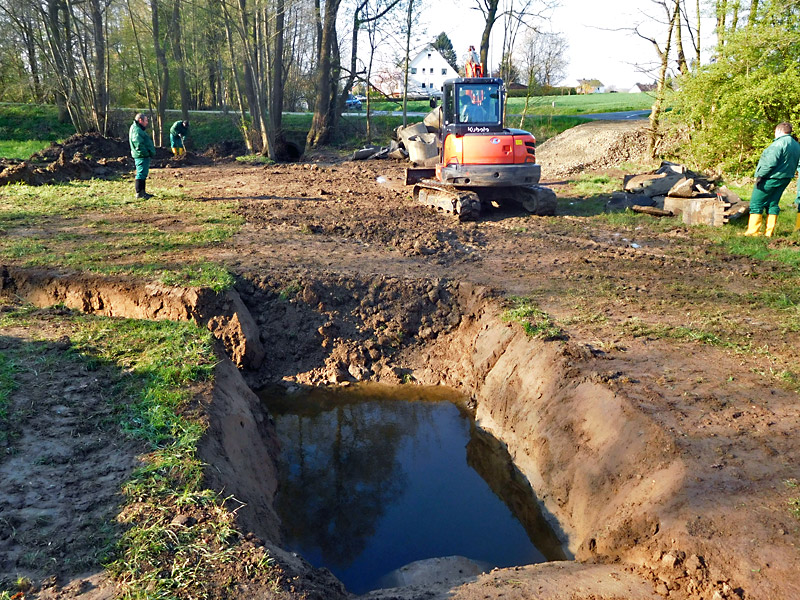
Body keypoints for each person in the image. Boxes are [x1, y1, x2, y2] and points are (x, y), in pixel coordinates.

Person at [744, 121, 800, 237]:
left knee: (756, 203)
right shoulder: (796, 145)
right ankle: (769, 232)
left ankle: (753, 232)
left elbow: (770, 163)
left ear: (778, 131)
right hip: (785, 178)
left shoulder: (777, 144)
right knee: (773, 203)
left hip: (770, 178)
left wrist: (761, 176)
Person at [129, 113, 157, 199]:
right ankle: (139, 193)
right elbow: (138, 144)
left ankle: (142, 192)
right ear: (140, 120)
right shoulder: (137, 130)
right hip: (141, 155)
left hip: (142, 155)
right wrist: (147, 152)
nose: (147, 122)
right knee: (141, 174)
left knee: (143, 174)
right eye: (146, 120)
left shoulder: (138, 129)